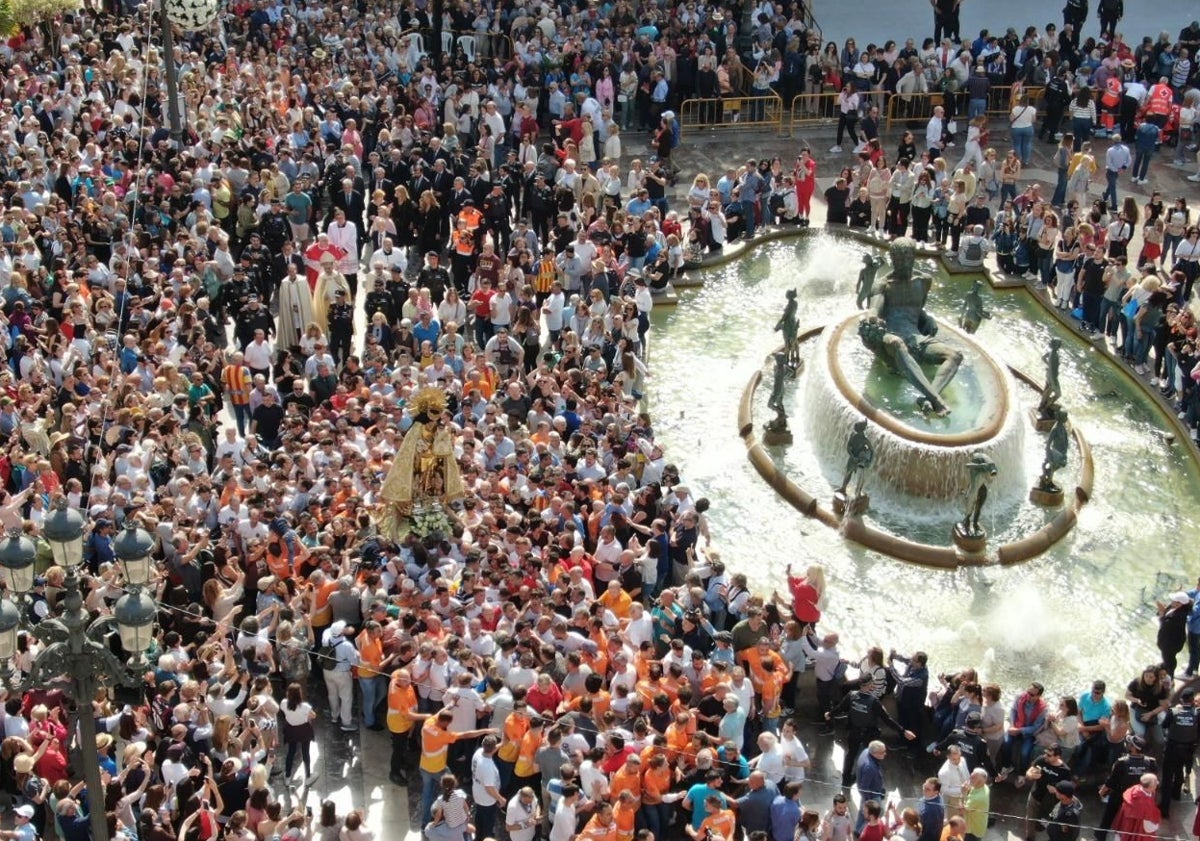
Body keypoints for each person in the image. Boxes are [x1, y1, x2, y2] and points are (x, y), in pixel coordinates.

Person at [858, 238, 964, 415]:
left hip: (917, 338)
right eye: (898, 260)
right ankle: (936, 400)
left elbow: (917, 309)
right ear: (892, 260)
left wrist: (926, 318)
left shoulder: (923, 281)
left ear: (914, 257)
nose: (903, 264)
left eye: (907, 259)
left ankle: (927, 397)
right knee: (897, 343)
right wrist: (871, 317)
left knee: (955, 356)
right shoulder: (883, 284)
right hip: (890, 337)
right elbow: (874, 308)